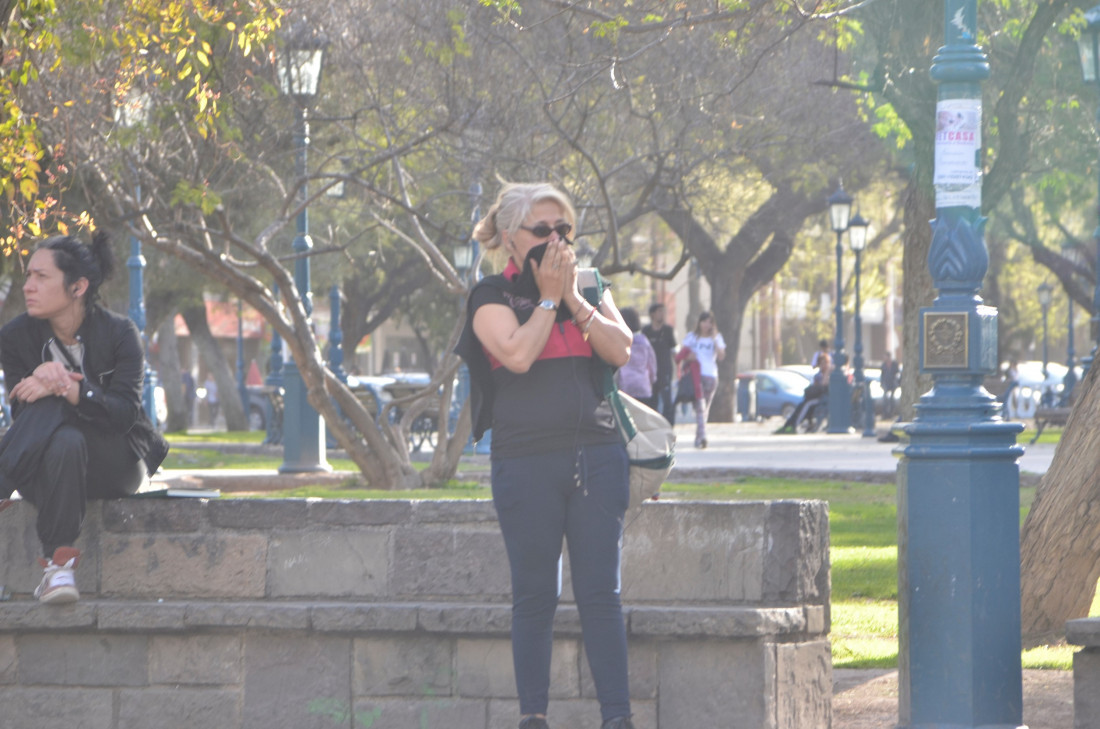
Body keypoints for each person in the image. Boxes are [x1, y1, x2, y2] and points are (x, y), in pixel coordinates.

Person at [453, 182, 636, 729]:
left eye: (564, 230)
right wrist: (548, 299)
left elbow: (621, 349)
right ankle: (533, 716)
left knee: (601, 593)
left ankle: (617, 718)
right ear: (511, 239)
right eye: (542, 230)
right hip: (527, 463)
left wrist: (574, 298)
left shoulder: (590, 287)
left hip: (597, 457)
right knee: (536, 593)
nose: (555, 240)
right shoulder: (490, 296)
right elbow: (516, 355)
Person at [0, 233, 168, 604]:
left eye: (41, 277)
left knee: (59, 405)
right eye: (28, 276)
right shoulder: (14, 338)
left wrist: (70, 389)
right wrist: (50, 379)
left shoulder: (120, 332)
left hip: (116, 462)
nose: (28, 286)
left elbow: (125, 415)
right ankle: (59, 571)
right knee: (63, 436)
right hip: (48, 464)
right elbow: (27, 416)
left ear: (78, 286)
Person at [676, 311, 725, 449]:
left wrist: (715, 340)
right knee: (700, 407)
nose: (706, 325)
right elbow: (682, 354)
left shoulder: (717, 337)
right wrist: (688, 357)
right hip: (696, 375)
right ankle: (702, 437)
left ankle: (699, 437)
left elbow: (721, 356)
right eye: (704, 321)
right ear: (699, 322)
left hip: (711, 376)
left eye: (710, 322)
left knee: (704, 408)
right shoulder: (692, 337)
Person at [776, 345, 832, 434]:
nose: (823, 366)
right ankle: (788, 424)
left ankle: (794, 425)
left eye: (825, 363)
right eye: (821, 363)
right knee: (801, 405)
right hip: (814, 397)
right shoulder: (818, 374)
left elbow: (824, 385)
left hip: (822, 399)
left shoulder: (829, 375)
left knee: (807, 405)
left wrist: (827, 371)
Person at [642, 302, 677, 424]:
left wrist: (679, 367)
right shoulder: (646, 331)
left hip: (665, 370)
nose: (662, 314)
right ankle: (654, 425)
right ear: (652, 314)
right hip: (650, 372)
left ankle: (669, 425)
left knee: (668, 400)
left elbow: (674, 350)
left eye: (663, 312)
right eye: (659, 312)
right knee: (652, 401)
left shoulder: (668, 330)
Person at [616, 307, 657, 404]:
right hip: (643, 386)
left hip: (625, 386)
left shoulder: (619, 341)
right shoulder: (644, 341)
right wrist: (651, 380)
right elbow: (652, 365)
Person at [880, 350, 900, 419]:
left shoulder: (894, 364)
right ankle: (885, 414)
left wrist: (897, 383)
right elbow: (882, 375)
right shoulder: (883, 365)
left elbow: (897, 374)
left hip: (892, 383)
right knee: (885, 399)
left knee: (892, 399)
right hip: (886, 383)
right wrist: (882, 384)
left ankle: (891, 413)